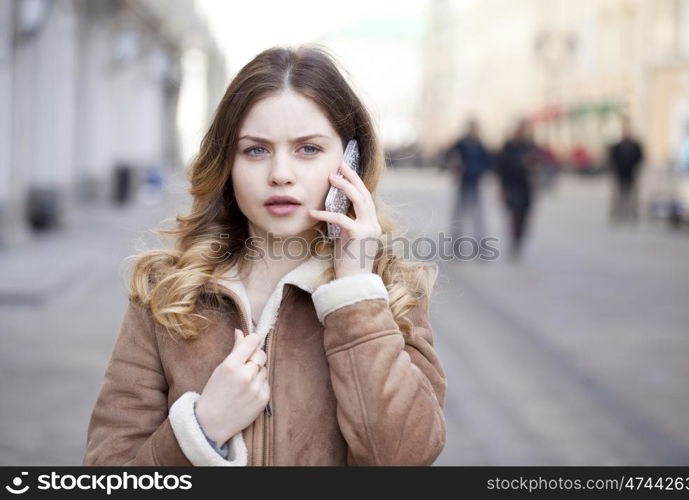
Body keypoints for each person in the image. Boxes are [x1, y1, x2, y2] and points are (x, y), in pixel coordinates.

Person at [82, 46, 447, 466]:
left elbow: (404, 458)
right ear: (227, 164)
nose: (280, 173)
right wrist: (202, 429)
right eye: (256, 150)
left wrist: (354, 296)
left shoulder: (391, 289)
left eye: (308, 149)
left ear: (351, 161)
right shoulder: (165, 292)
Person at [444, 118, 491, 258]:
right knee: (459, 217)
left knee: (478, 218)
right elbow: (448, 156)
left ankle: (479, 249)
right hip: (463, 184)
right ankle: (455, 247)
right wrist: (455, 168)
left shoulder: (480, 145)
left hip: (475, 184)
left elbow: (487, 163)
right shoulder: (461, 143)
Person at [495, 120, 539, 260]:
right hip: (513, 187)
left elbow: (538, 164)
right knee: (515, 215)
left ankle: (519, 241)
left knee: (524, 216)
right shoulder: (508, 147)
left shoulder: (530, 147)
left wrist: (532, 167)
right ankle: (514, 243)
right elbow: (502, 168)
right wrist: (503, 188)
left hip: (526, 187)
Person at [608, 117, 644, 223]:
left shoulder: (635, 146)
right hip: (620, 173)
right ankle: (618, 213)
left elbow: (640, 158)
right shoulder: (617, 146)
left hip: (631, 173)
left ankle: (632, 214)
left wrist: (635, 166)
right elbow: (612, 159)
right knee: (619, 194)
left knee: (632, 195)